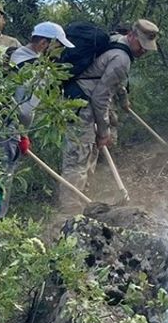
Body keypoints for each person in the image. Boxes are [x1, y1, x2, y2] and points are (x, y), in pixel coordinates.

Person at [0, 21, 75, 221]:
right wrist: (23, 134)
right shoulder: (39, 71)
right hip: (6, 131)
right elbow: (24, 110)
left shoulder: (5, 52)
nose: (60, 53)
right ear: (43, 43)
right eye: (58, 46)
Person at [59, 19, 160, 208]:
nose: (144, 51)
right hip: (82, 105)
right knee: (78, 159)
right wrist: (104, 131)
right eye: (142, 45)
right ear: (131, 35)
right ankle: (69, 211)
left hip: (81, 102)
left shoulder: (115, 40)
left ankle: (82, 202)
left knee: (87, 155)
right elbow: (101, 97)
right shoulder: (121, 59)